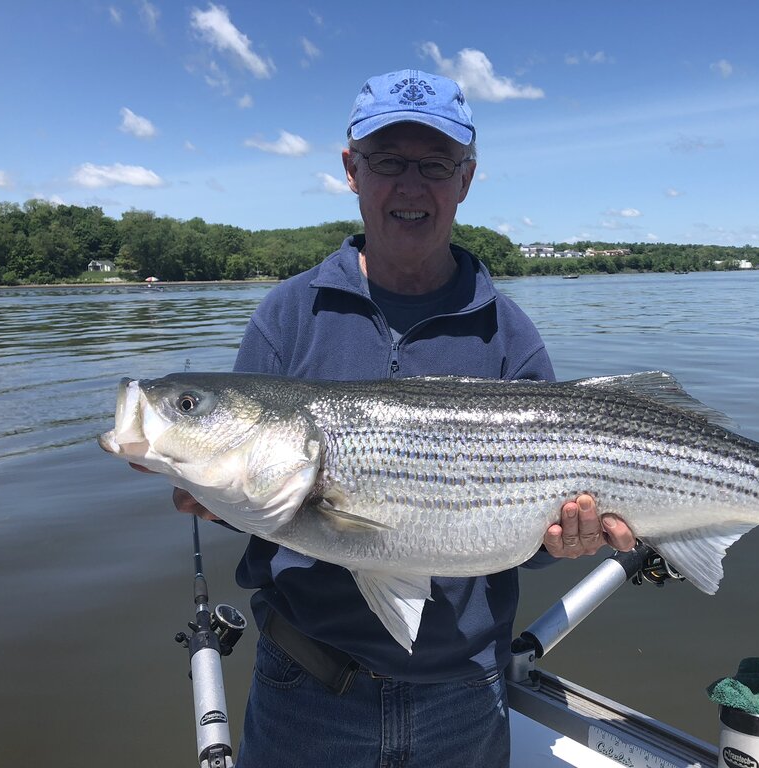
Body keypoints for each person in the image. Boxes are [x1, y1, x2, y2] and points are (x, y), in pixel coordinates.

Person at [172, 69, 637, 767]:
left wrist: (568, 539)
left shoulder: (511, 335)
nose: (411, 187)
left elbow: (528, 540)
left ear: (467, 178)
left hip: (464, 695)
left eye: (436, 165)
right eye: (388, 162)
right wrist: (217, 495)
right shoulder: (287, 319)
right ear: (352, 170)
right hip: (305, 688)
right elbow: (264, 492)